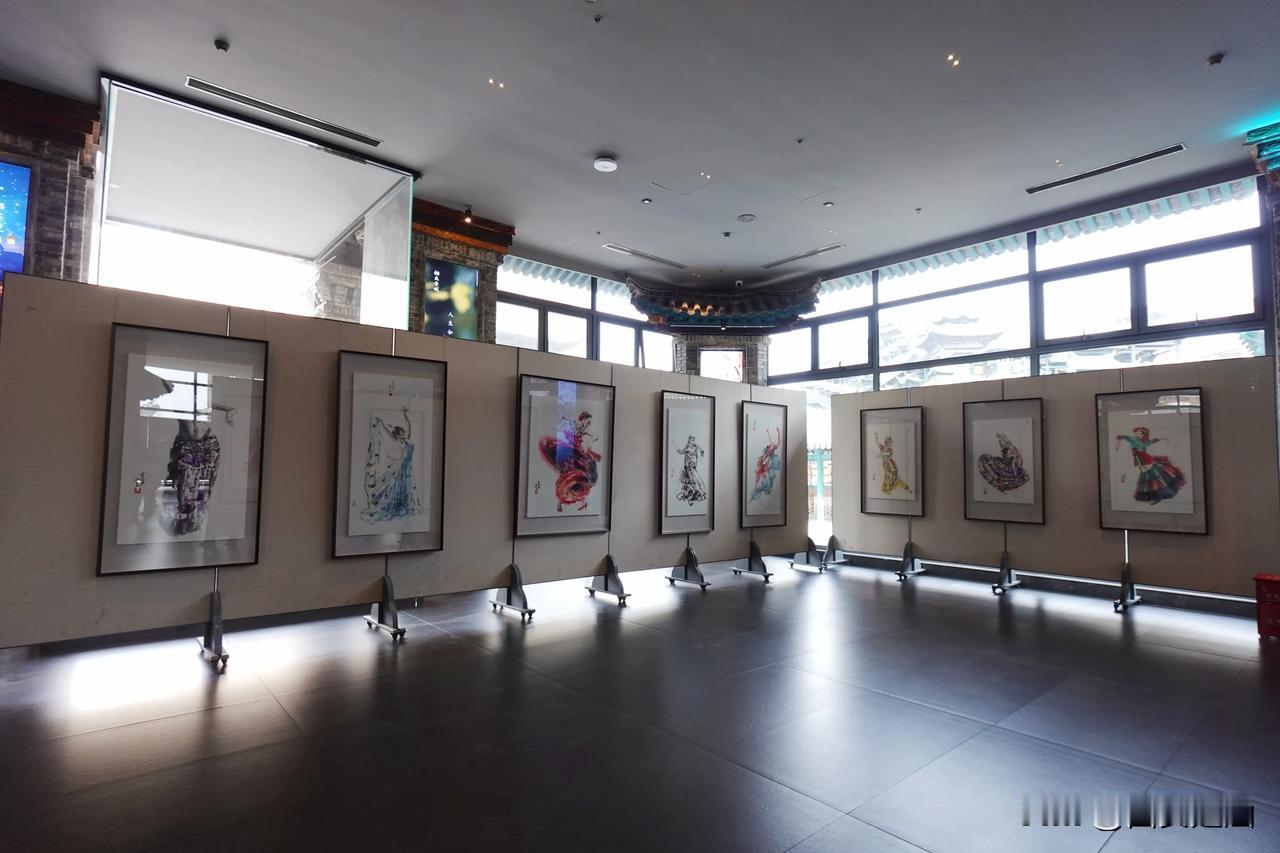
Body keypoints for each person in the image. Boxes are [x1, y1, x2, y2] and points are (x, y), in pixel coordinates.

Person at [362, 406, 421, 521]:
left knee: (405, 486)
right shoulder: (401, 441)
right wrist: (383, 424)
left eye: (403, 431)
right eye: (401, 431)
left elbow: (409, 425)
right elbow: (389, 433)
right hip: (403, 466)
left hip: (408, 467)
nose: (404, 432)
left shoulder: (407, 439)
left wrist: (405, 414)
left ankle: (403, 506)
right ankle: (395, 507)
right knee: (397, 486)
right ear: (399, 433)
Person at [538, 411, 602, 512]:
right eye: (587, 421)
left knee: (585, 467)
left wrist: (589, 439)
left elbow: (595, 436)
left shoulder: (585, 430)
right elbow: (565, 423)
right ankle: (565, 496)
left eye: (589, 422)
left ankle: (575, 495)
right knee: (572, 466)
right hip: (571, 447)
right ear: (583, 419)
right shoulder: (575, 425)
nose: (588, 424)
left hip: (577, 449)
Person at [1115, 426, 1185, 504]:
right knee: (1150, 476)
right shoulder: (1133, 439)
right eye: (1136, 431)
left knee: (1148, 477)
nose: (1136, 433)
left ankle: (1158, 495)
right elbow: (1120, 437)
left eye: (1138, 432)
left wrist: (1163, 438)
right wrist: (1118, 443)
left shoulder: (1143, 441)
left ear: (1143, 434)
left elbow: (1153, 441)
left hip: (1144, 459)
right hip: (1142, 459)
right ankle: (1157, 495)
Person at [676, 434, 708, 505]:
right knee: (688, 479)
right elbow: (682, 452)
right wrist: (679, 451)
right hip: (688, 466)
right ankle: (690, 495)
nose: (691, 441)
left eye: (692, 440)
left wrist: (701, 452)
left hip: (692, 466)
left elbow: (700, 450)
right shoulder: (689, 447)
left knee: (693, 479)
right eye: (690, 440)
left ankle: (696, 494)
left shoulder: (693, 447)